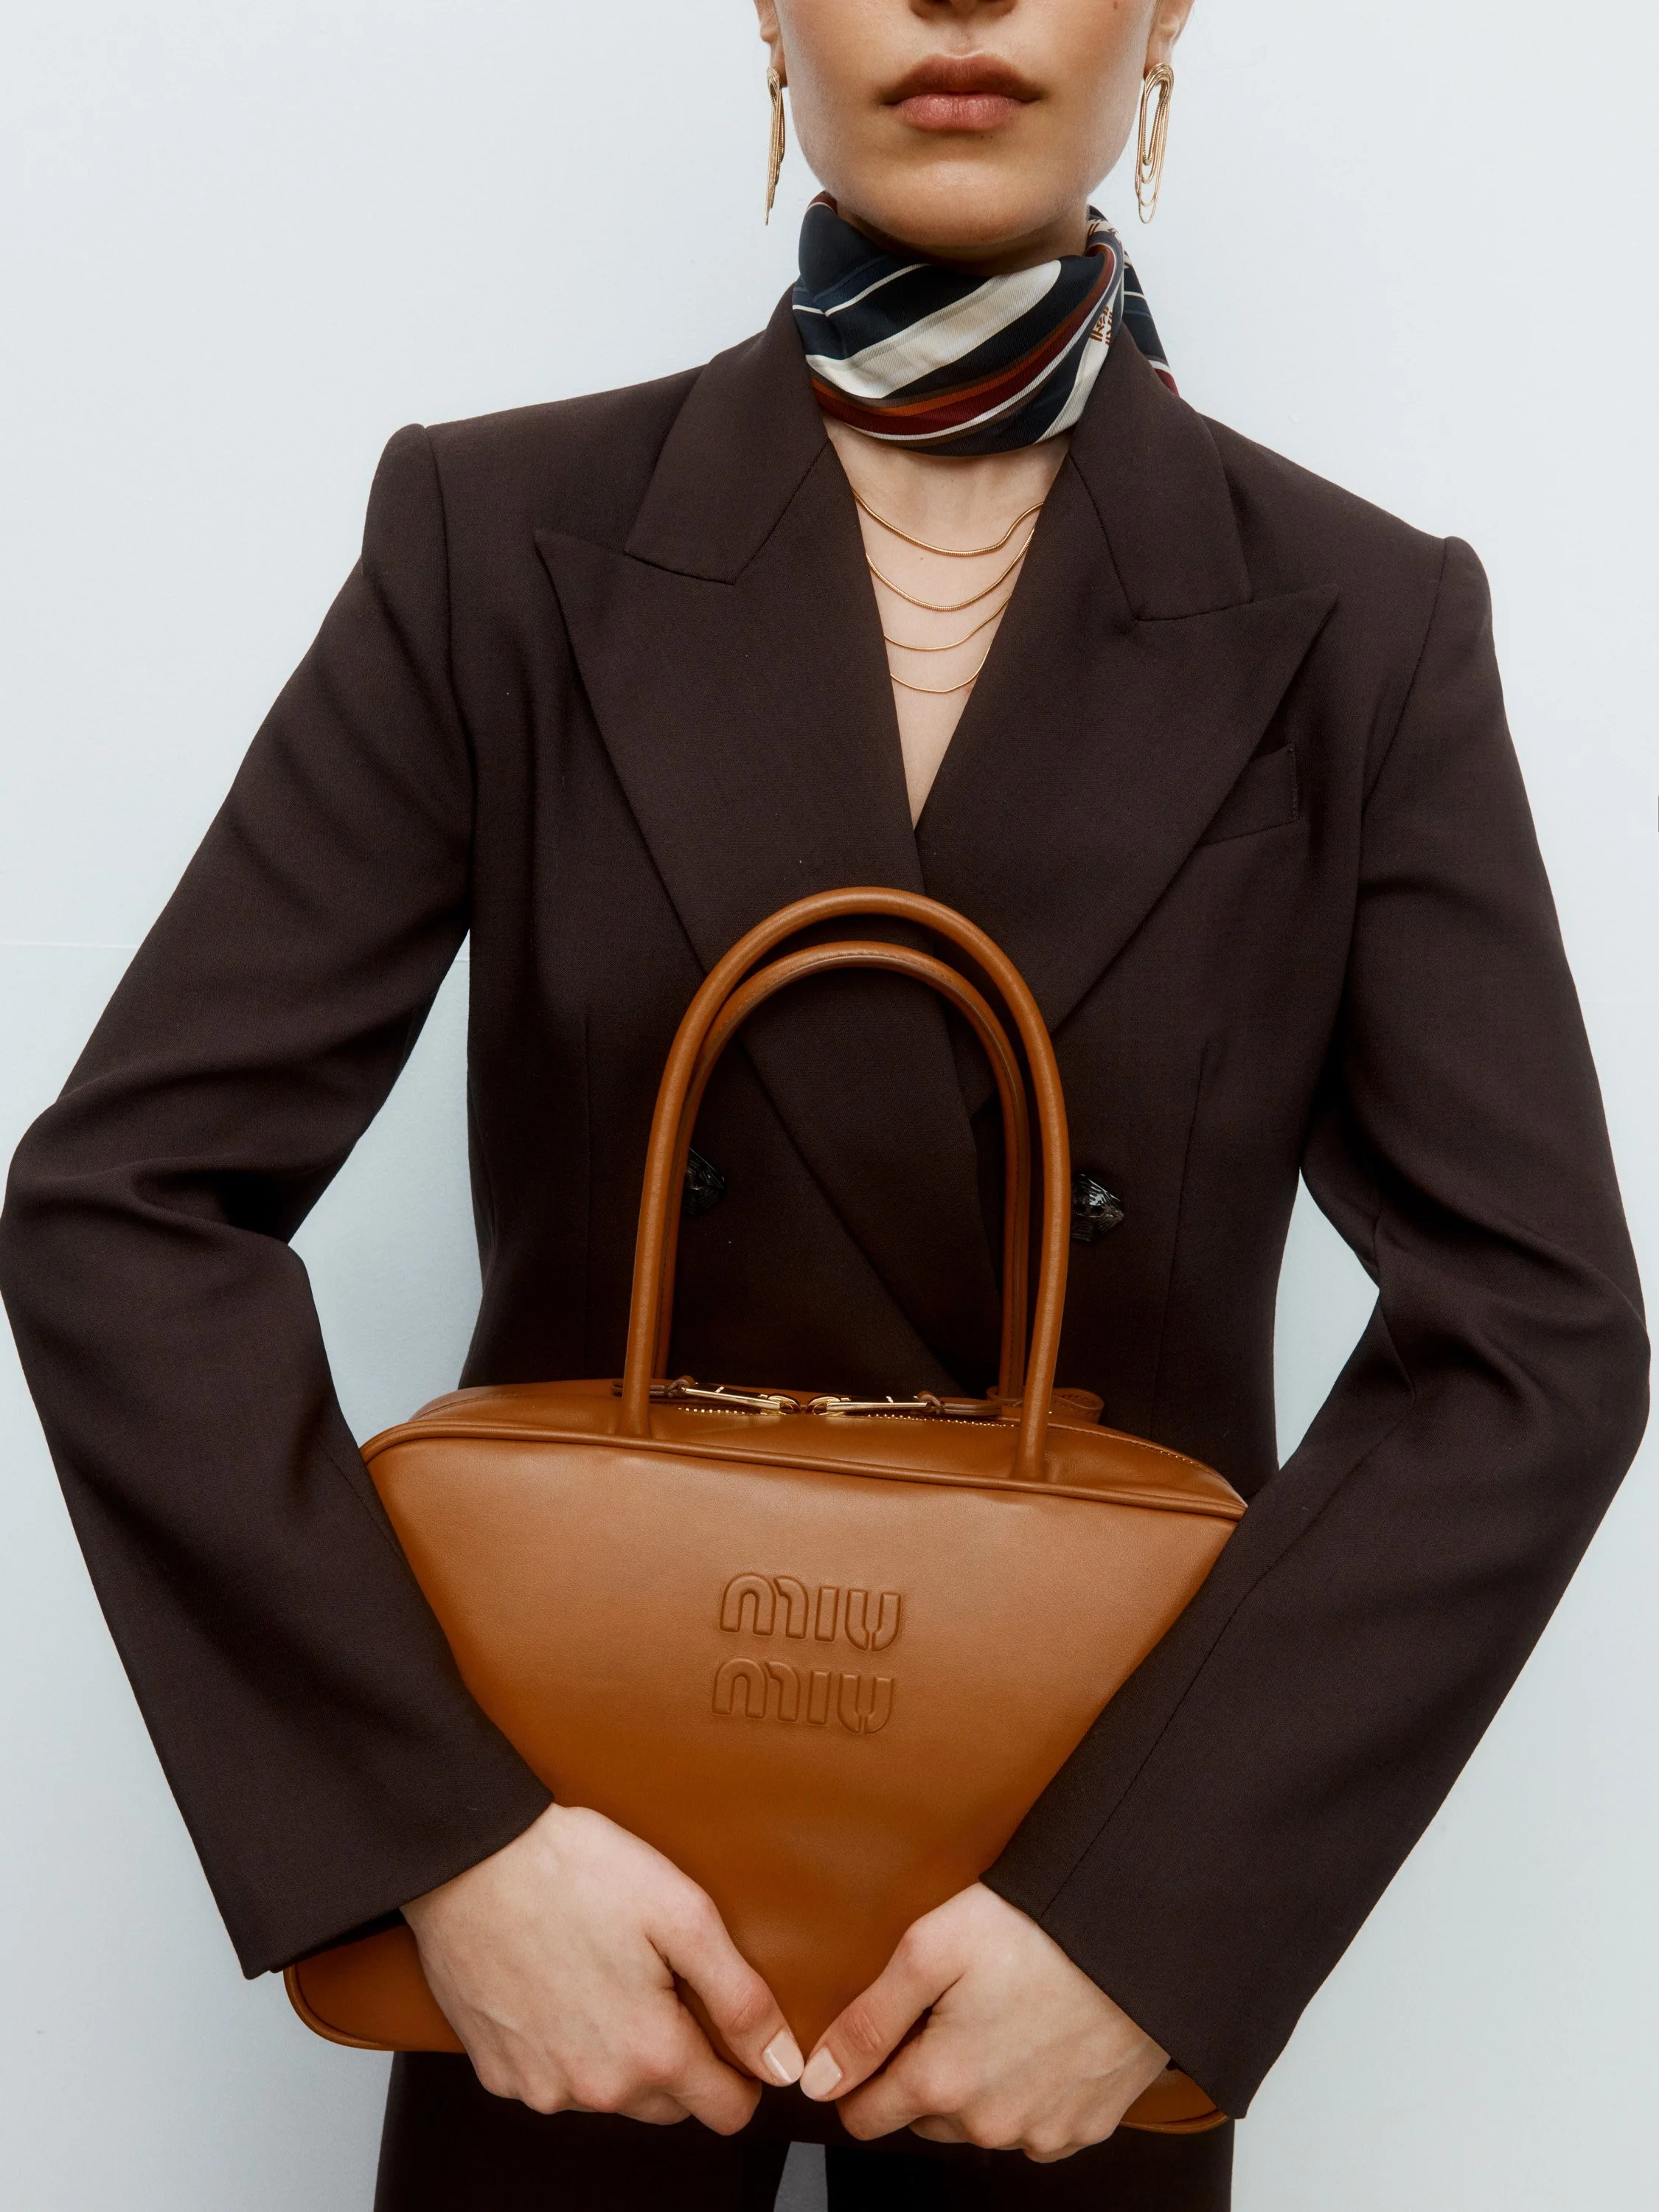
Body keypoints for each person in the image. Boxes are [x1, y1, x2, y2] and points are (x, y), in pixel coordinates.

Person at [0, 1, 1646, 2208]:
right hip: (574, 1964)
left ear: (1164, 14)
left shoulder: (1361, 626)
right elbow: (125, 1207)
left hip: (1056, 1968)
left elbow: (1535, 1342)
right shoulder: (501, 541)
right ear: (767, 5)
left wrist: (1150, 1931)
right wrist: (449, 1849)